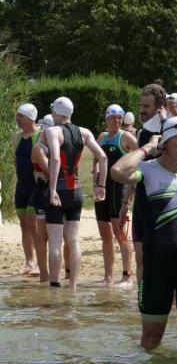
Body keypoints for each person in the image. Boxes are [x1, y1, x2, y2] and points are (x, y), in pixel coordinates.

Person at [111, 117, 177, 348]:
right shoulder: (146, 171)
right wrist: (147, 147)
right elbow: (118, 171)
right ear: (164, 142)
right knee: (151, 340)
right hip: (156, 270)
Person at [45, 97, 107, 289]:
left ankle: (54, 287)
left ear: (56, 113)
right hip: (76, 191)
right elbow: (103, 157)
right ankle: (73, 286)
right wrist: (101, 186)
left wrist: (52, 189)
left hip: (59, 191)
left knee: (55, 242)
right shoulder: (84, 132)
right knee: (73, 239)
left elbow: (55, 159)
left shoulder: (52, 131)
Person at [124, 84, 168, 283]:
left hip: (163, 200)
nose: (142, 110)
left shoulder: (170, 129)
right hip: (142, 200)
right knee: (140, 257)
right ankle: (142, 297)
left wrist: (166, 121)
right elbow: (137, 169)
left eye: (147, 106)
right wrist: (125, 202)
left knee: (162, 257)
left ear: (159, 108)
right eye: (141, 105)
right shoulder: (141, 133)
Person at [94, 104, 137, 285]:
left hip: (118, 191)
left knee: (120, 234)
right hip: (103, 190)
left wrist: (132, 181)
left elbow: (140, 158)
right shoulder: (102, 137)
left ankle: (127, 275)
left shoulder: (126, 137)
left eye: (119, 117)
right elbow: (96, 159)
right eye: (113, 117)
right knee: (105, 235)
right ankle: (108, 276)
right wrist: (96, 177)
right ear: (107, 119)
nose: (116, 120)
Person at [13, 103, 40, 275]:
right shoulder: (17, 137)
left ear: (30, 118)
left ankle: (39, 261)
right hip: (21, 185)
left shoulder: (40, 135)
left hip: (35, 185)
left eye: (20, 116)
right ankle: (29, 262)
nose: (17, 119)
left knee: (31, 221)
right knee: (23, 224)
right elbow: (16, 160)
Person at [31, 115, 55, 283]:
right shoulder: (38, 147)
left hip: (55, 190)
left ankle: (64, 273)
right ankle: (44, 274)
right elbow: (50, 171)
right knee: (43, 235)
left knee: (58, 235)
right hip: (42, 192)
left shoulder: (57, 144)